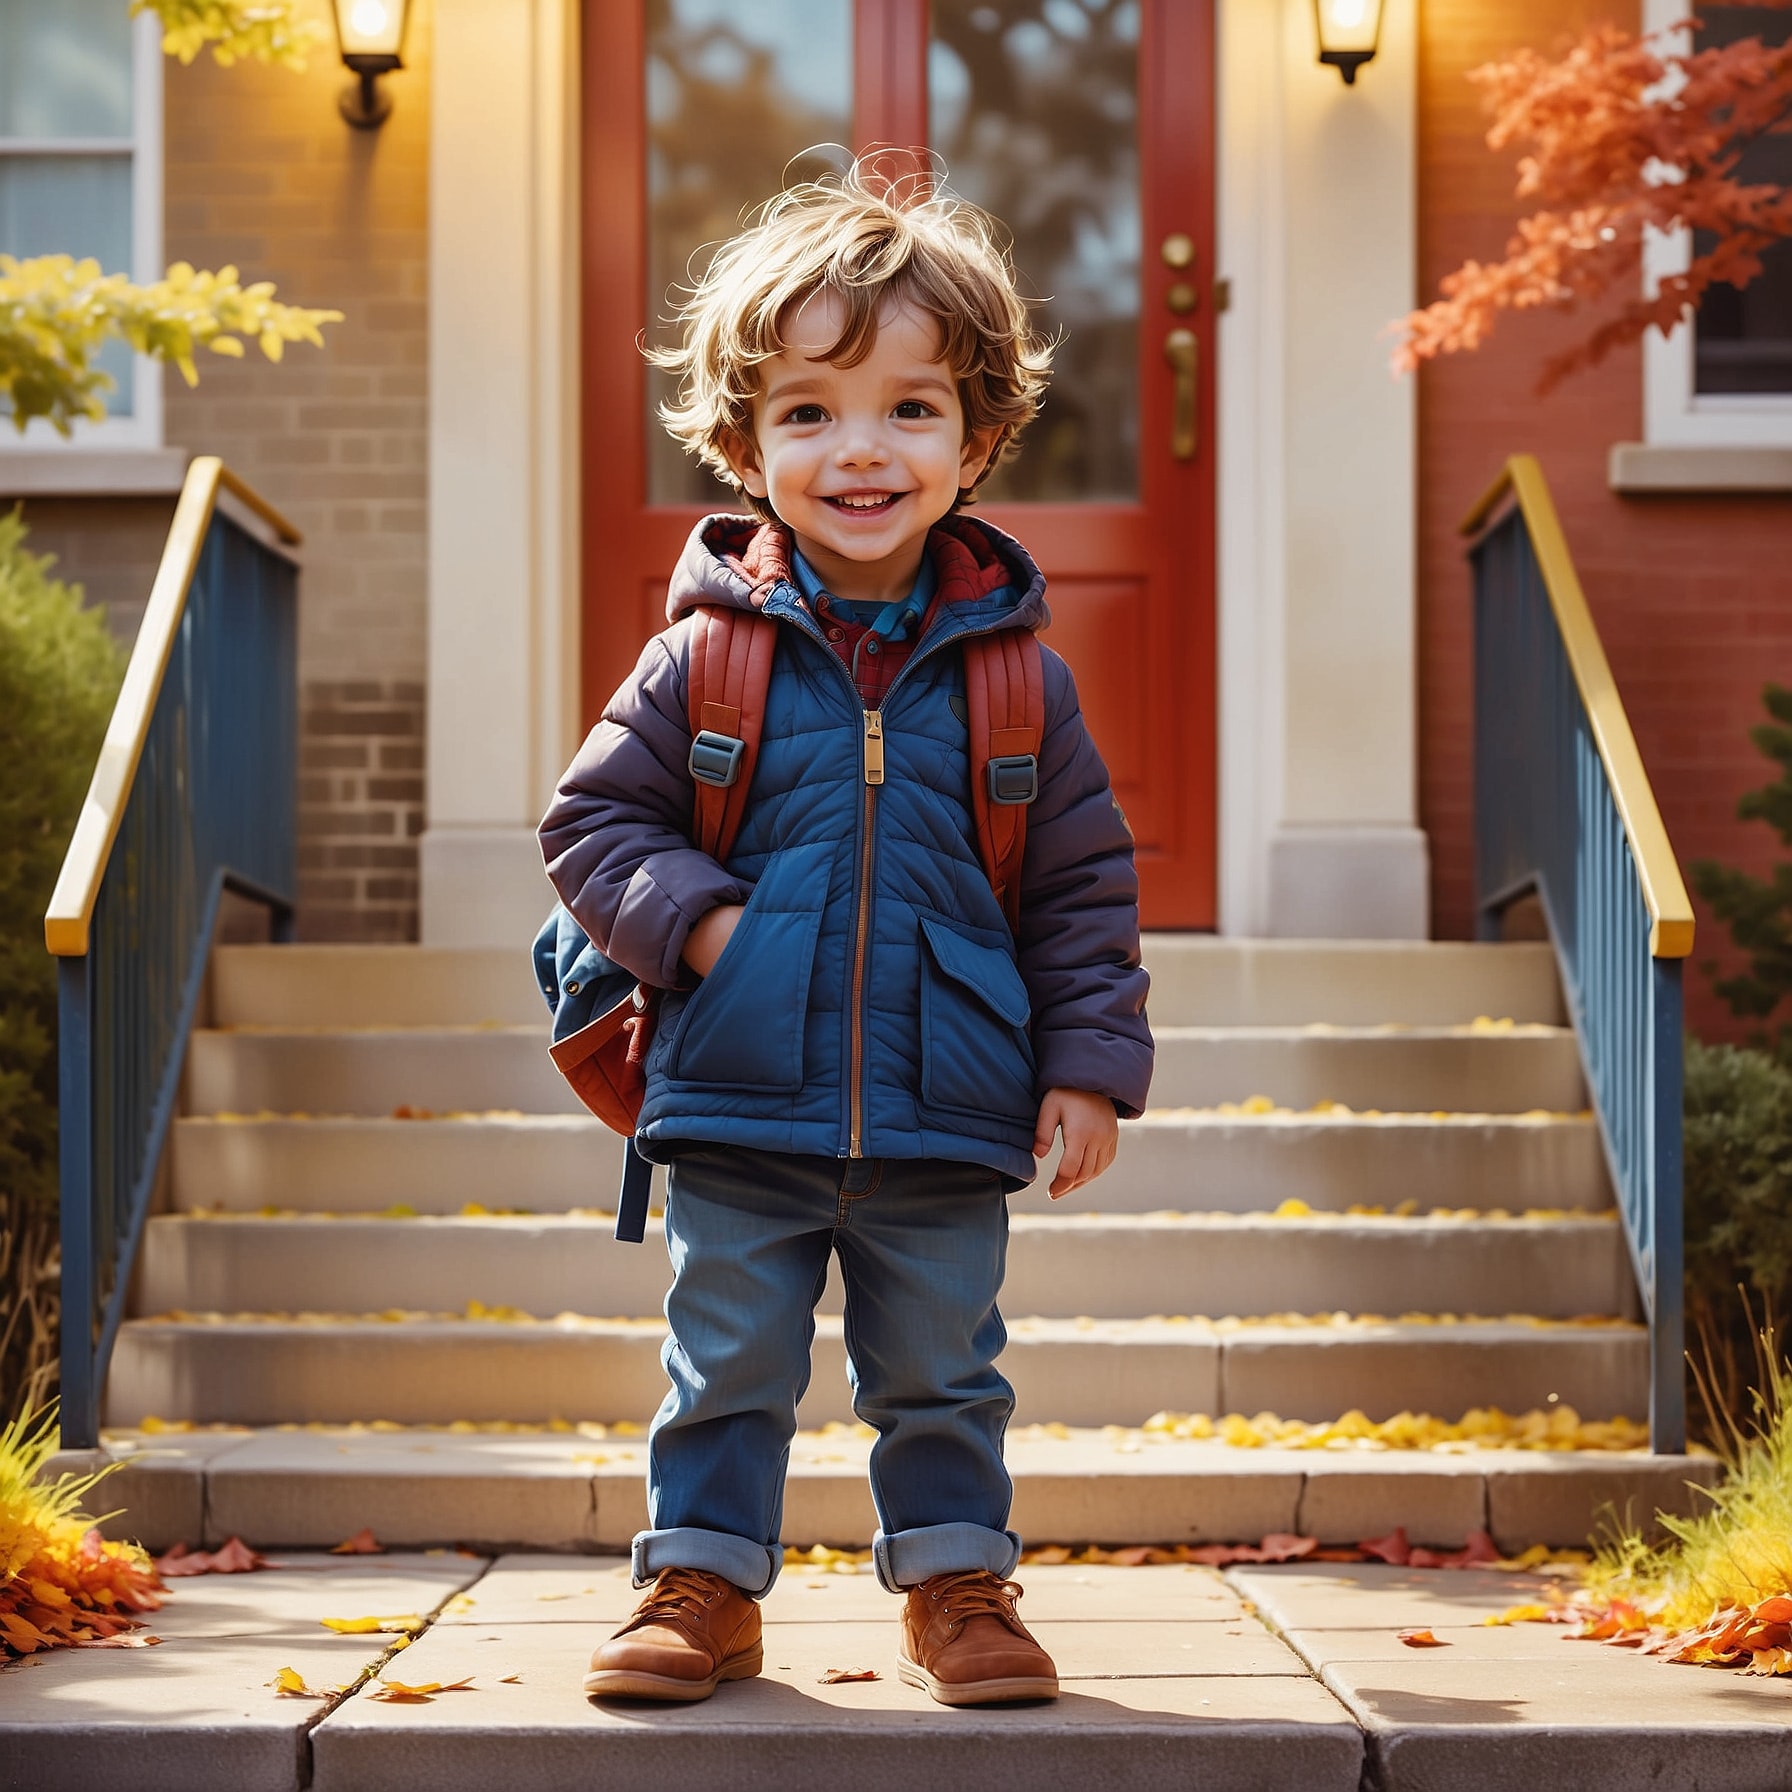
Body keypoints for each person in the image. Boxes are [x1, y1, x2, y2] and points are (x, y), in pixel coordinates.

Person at [539, 158, 1153, 1709]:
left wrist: (1087, 1070)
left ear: (978, 438)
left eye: (908, 408)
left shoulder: (1024, 684)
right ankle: (699, 1585)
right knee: (726, 1357)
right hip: (737, 1087)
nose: (858, 449)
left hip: (951, 1099)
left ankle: (958, 1586)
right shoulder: (700, 658)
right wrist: (706, 933)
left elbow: (1079, 895)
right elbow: (590, 829)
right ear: (743, 444)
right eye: (807, 412)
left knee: (944, 1366)